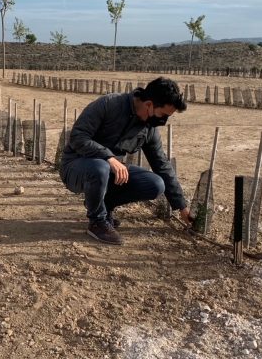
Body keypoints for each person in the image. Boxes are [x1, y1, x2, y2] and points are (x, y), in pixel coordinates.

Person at [60, 76, 193, 245]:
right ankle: (97, 222)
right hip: (76, 166)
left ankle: (104, 205)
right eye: (163, 115)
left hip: (108, 173)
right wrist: (108, 157)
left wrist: (181, 206)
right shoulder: (109, 104)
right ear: (149, 104)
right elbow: (78, 137)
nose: (163, 121)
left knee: (155, 184)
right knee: (100, 167)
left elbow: (162, 165)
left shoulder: (148, 129)